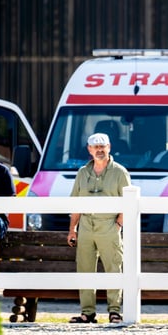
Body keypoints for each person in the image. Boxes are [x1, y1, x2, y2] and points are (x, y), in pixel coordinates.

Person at [67, 132, 131, 324]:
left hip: (109, 225)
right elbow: (75, 203)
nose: (99, 150)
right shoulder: (82, 172)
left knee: (113, 268)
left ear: (109, 148)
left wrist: (118, 224)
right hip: (86, 225)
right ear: (89, 149)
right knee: (85, 268)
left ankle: (114, 311)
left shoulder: (120, 172)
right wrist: (72, 229)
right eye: (95, 147)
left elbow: (128, 202)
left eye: (102, 146)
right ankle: (87, 312)